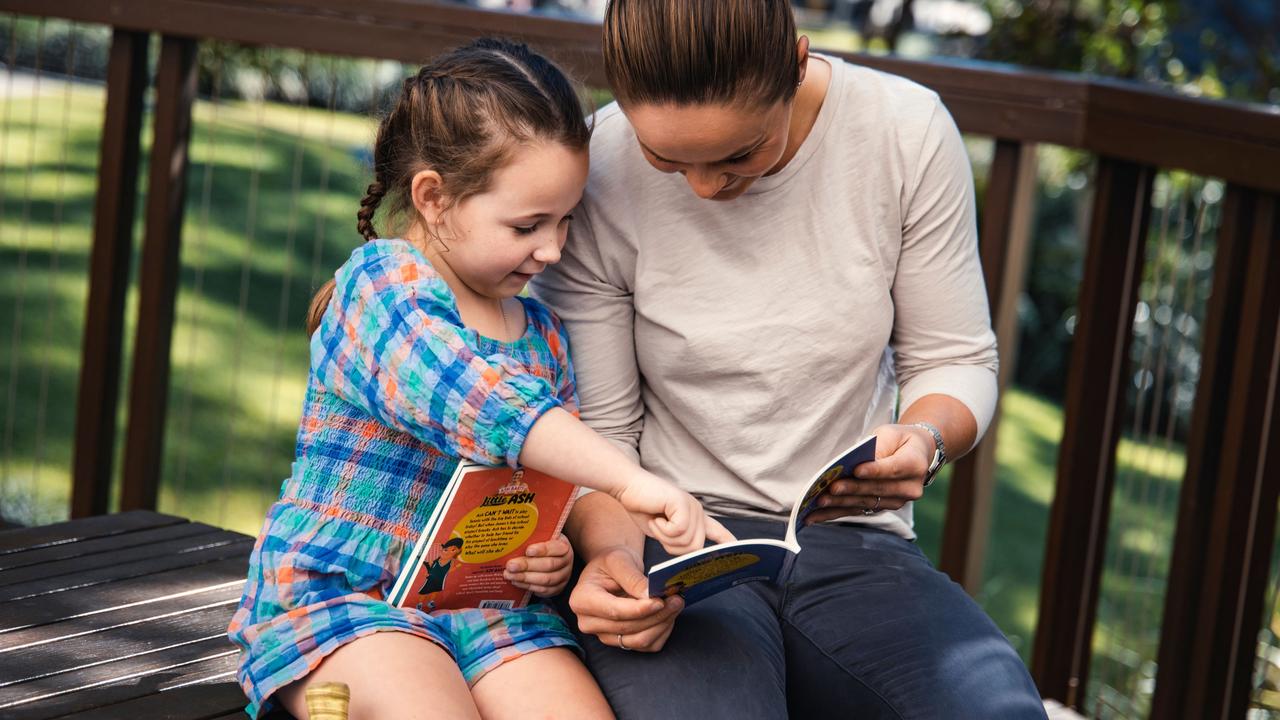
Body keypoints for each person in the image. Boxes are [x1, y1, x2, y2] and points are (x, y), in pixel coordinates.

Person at [532, 1, 1049, 717]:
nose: (706, 187)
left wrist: (925, 439)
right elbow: (602, 437)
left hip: (851, 544)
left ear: (797, 63)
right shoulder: (601, 165)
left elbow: (955, 357)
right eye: (669, 160)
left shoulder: (905, 133)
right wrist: (612, 562)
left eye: (740, 152)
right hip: (671, 545)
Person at [227, 38, 729, 720]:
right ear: (434, 198)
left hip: (486, 608)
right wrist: (631, 479)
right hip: (345, 598)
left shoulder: (540, 332)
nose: (552, 249)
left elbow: (566, 482)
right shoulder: (381, 291)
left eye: (566, 222)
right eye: (527, 225)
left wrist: (576, 545)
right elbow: (485, 403)